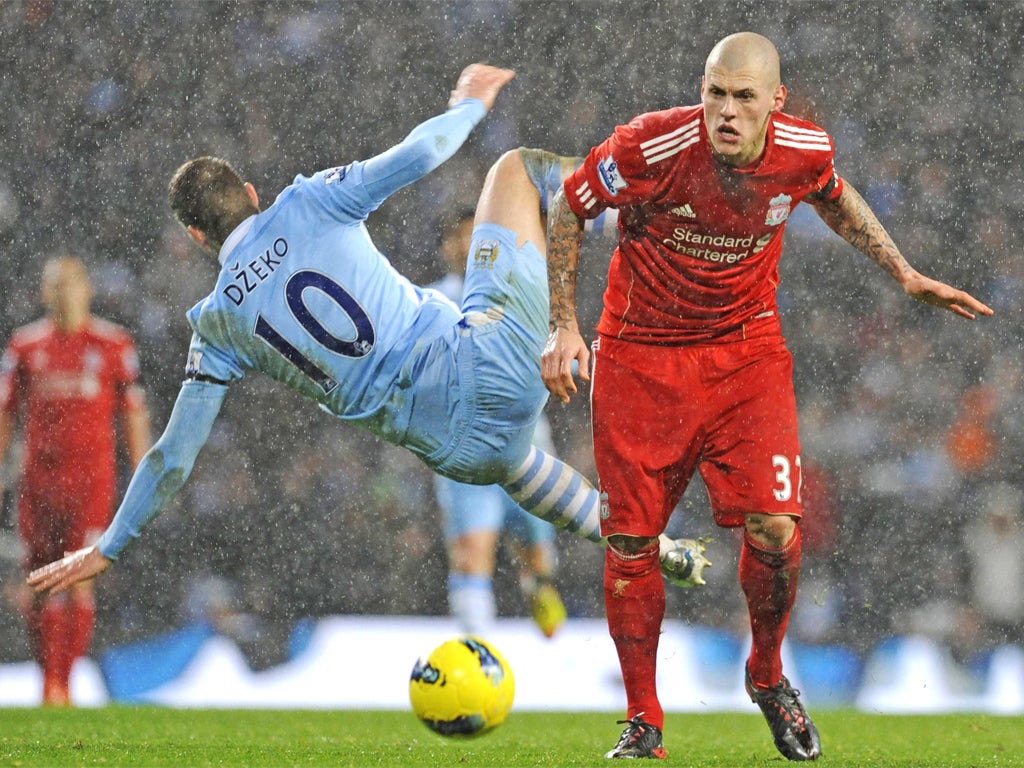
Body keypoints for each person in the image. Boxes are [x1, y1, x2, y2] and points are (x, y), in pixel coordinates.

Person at [27, 66, 710, 618]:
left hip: (451, 450)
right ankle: (665, 207)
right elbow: (421, 154)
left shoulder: (216, 324)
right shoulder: (307, 201)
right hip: (484, 365)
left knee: (518, 465)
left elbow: (172, 457)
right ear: (252, 192)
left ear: (196, 237)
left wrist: (112, 545)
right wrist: (468, 106)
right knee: (516, 170)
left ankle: (652, 548)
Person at [540, 32, 993, 761]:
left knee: (778, 529)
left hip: (745, 356)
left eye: (743, 97)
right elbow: (568, 209)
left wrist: (904, 272)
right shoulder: (647, 147)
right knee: (630, 543)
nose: (724, 110)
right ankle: (644, 721)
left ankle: (767, 673)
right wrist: (563, 326)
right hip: (639, 356)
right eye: (714, 92)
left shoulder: (803, 149)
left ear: (774, 103)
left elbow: (835, 198)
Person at [0, 256, 151, 705]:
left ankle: (61, 684)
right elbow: (6, 413)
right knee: (39, 583)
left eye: (70, 285)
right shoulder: (24, 347)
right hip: (39, 484)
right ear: (44, 294)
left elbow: (133, 412)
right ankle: (50, 679)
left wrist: (143, 473)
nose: (64, 294)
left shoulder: (113, 344)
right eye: (55, 286)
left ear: (87, 289)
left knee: (79, 579)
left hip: (90, 484)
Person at [430, 207, 566, 639]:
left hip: (526, 446)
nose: (465, 247)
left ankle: (540, 594)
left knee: (538, 557)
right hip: (463, 448)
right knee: (471, 552)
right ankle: (476, 657)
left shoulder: (520, 295)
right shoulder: (429, 300)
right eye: (457, 238)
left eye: (474, 238)